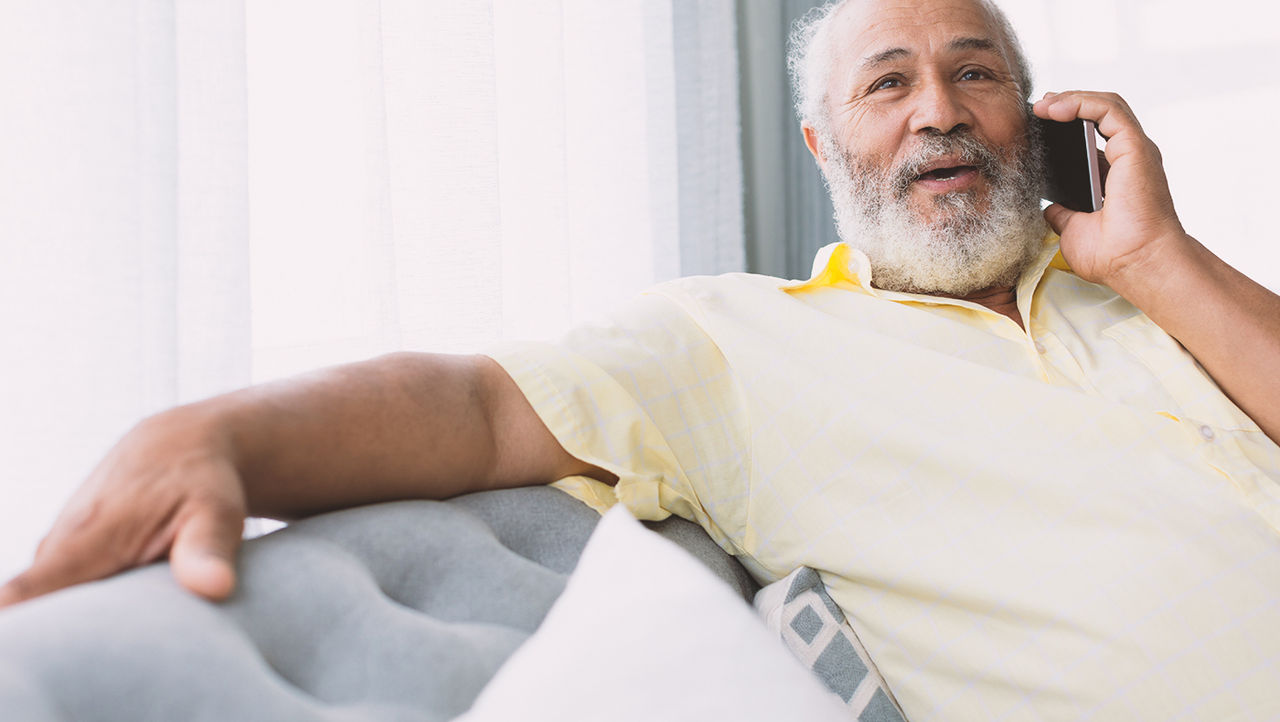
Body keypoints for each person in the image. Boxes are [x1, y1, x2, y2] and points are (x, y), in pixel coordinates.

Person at [4, 0, 1280, 718]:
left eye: (974, 73)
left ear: (1031, 118)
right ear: (822, 147)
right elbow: (474, 404)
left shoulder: (1134, 279)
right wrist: (210, 436)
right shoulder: (735, 345)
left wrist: (1156, 256)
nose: (937, 108)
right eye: (886, 84)